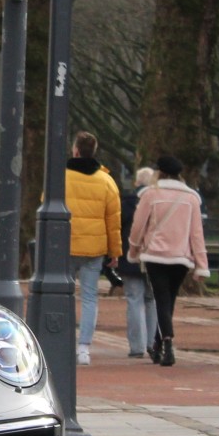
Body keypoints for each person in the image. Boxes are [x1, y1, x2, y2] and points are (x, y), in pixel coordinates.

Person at [126, 155, 209, 367]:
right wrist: (201, 265)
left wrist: (133, 250)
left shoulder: (150, 194)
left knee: (161, 299)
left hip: (156, 255)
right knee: (168, 300)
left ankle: (167, 343)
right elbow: (197, 234)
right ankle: (158, 344)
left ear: (159, 172)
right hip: (181, 257)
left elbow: (137, 228)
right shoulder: (191, 198)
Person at [64, 131, 122, 366]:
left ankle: (63, 340)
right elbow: (113, 220)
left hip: (65, 246)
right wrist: (115, 252)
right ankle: (84, 348)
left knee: (63, 295)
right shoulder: (106, 181)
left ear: (75, 150)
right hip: (94, 249)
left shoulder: (60, 177)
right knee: (90, 298)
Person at [117, 167, 159, 359]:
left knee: (134, 300)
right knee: (152, 300)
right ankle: (152, 342)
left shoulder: (127, 203)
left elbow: (118, 228)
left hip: (131, 256)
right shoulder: (159, 202)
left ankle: (137, 346)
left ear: (136, 183)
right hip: (154, 257)